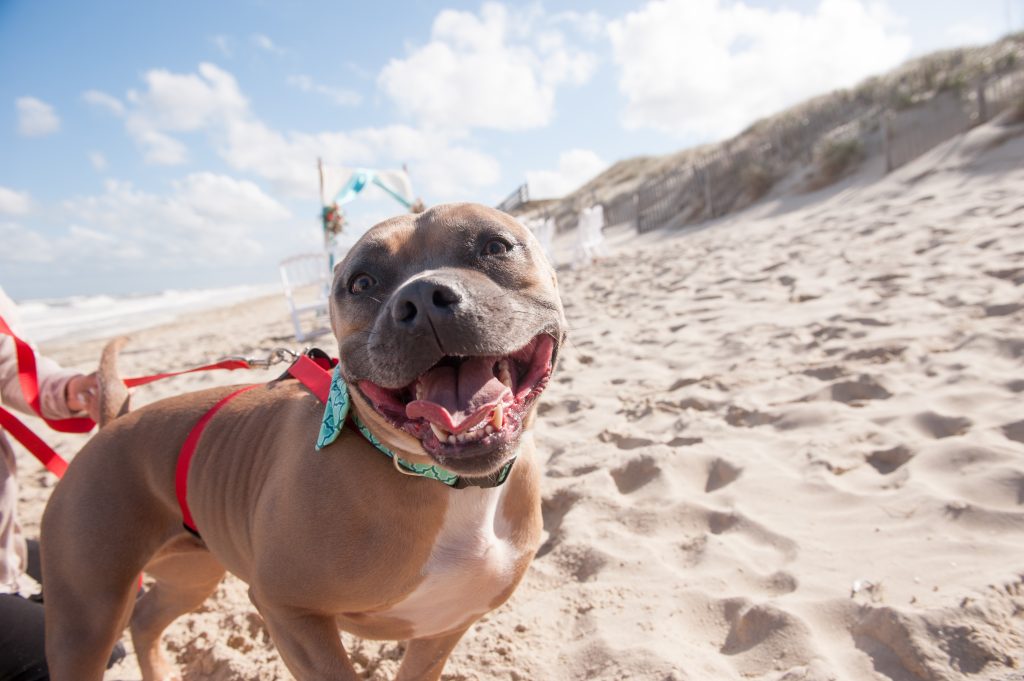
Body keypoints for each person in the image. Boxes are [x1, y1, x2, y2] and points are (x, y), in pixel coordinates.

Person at [0, 286, 123, 680]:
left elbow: (9, 364)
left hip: (7, 545)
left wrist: (69, 390)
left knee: (118, 598)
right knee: (76, 652)